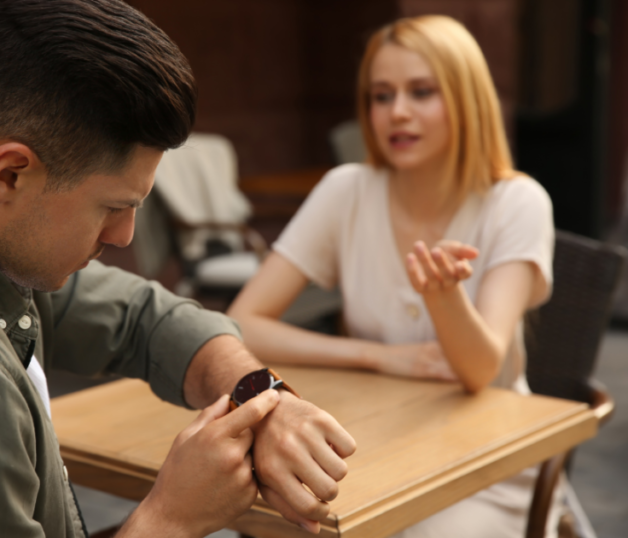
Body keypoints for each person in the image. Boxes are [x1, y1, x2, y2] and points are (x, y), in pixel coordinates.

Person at [0, 1, 357, 536]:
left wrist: (263, 396)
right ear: (9, 175)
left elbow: (142, 317)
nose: (124, 236)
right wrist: (171, 517)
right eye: (114, 207)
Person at [228, 15, 557, 538]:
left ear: (467, 99)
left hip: (485, 461)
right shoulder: (348, 189)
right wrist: (379, 356)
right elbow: (243, 323)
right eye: (382, 96)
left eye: (421, 92)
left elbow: (480, 373)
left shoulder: (516, 201)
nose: (397, 112)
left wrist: (444, 298)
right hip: (370, 445)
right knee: (267, 519)